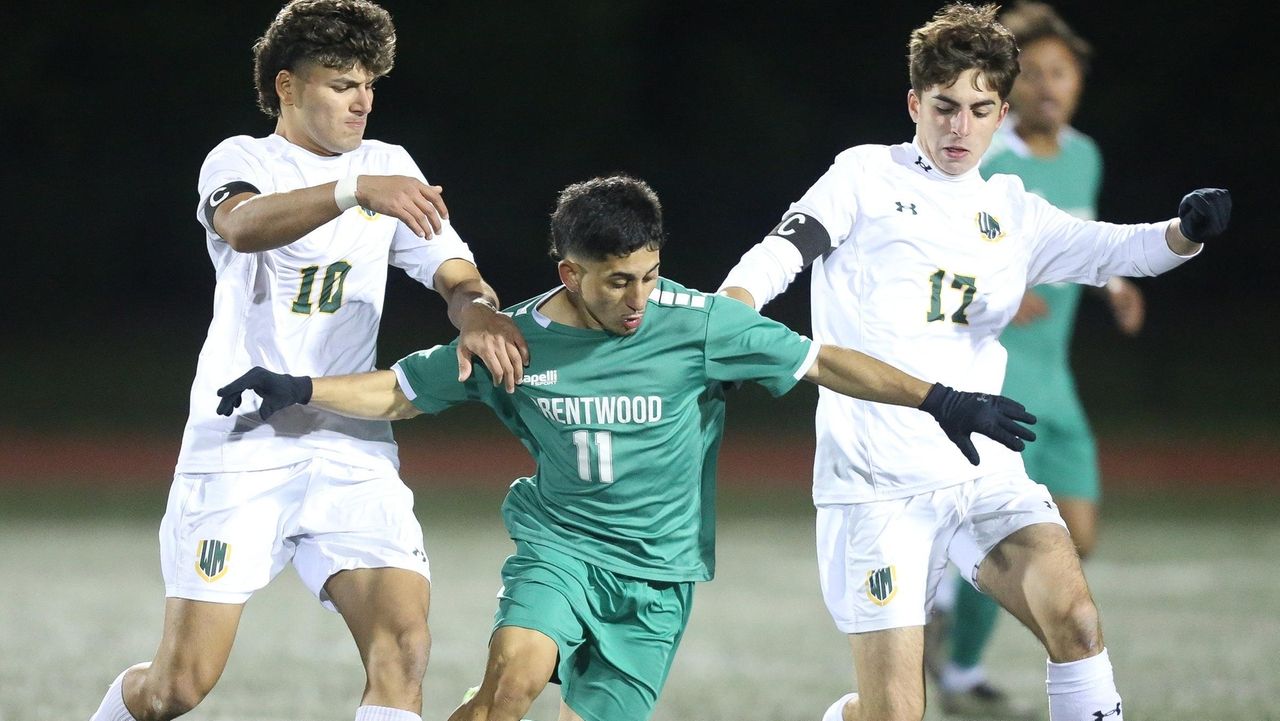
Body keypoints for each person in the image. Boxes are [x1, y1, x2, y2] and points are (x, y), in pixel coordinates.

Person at [215, 175, 1038, 721]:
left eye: (649, 273)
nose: (640, 296)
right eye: (618, 280)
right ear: (570, 273)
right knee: (513, 681)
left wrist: (942, 399)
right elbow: (400, 389)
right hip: (561, 548)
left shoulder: (702, 323)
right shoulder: (515, 339)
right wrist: (299, 388)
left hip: (659, 574)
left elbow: (826, 360)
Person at [716, 4, 1230, 720]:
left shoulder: (1013, 208)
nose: (960, 127)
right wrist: (732, 312)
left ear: (1002, 112)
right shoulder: (863, 176)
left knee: (1077, 623)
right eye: (944, 106)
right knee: (895, 712)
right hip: (877, 482)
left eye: (979, 109)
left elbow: (1119, 249)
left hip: (981, 468)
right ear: (913, 103)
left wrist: (1185, 230)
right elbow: (777, 255)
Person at [87, 2, 527, 721]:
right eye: (340, 84)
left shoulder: (388, 165)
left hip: (349, 441)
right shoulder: (241, 159)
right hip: (242, 442)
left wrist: (477, 311)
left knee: (403, 646)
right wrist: (352, 190)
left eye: (368, 85)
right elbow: (242, 225)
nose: (362, 100)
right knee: (177, 688)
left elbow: (454, 271)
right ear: (287, 87)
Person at [922, 4, 1144, 717]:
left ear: (1079, 81)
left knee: (1078, 531)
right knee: (1016, 535)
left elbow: (1081, 239)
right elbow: (945, 231)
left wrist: (1114, 281)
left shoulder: (1086, 155)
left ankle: (956, 591)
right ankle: (957, 668)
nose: (1050, 85)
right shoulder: (990, 154)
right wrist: (992, 280)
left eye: (1063, 72)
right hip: (998, 374)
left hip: (1059, 374)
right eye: (1038, 71)